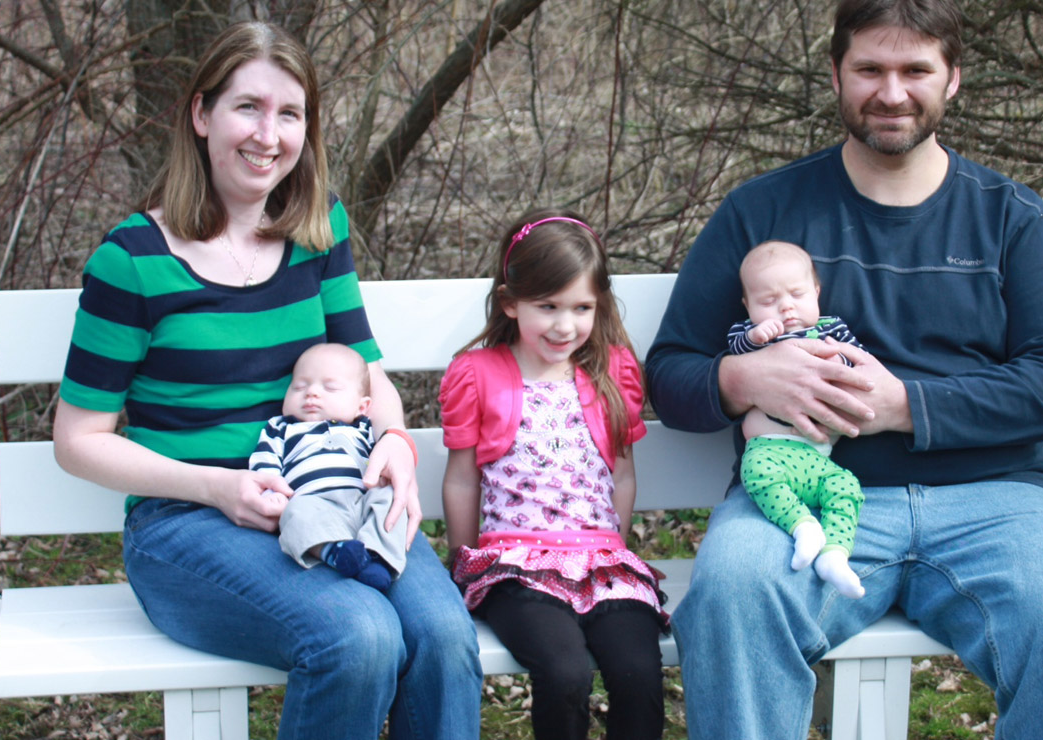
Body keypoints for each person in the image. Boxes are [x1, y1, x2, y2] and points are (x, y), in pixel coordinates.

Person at [644, 1, 1043, 738]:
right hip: (804, 501)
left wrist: (904, 404)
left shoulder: (1014, 220)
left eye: (916, 70)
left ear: (954, 79)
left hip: (998, 501)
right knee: (731, 598)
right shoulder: (762, 213)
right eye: (870, 68)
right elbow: (671, 370)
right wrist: (746, 379)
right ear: (838, 73)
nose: (892, 91)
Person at [51, 22, 481, 740]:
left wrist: (398, 441)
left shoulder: (318, 231)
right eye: (247, 107)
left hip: (334, 496)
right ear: (201, 114)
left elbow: (368, 374)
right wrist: (215, 486)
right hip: (187, 523)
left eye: (290, 114)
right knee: (359, 634)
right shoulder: (131, 261)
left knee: (441, 634)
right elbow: (77, 440)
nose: (269, 134)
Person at [440, 208, 666, 740]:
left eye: (581, 307)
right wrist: (464, 559)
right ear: (511, 302)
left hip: (602, 563)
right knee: (565, 672)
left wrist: (616, 544)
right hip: (513, 564)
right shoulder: (479, 374)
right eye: (548, 306)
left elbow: (623, 474)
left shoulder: (612, 372)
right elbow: (461, 478)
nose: (565, 325)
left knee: (638, 673)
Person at [727, 241, 865, 599]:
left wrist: (840, 366)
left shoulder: (831, 329)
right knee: (757, 474)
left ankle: (835, 554)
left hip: (818, 461)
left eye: (797, 294)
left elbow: (859, 361)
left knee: (845, 490)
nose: (786, 307)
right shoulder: (751, 335)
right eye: (768, 301)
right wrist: (756, 336)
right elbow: (735, 351)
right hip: (769, 451)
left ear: (817, 292)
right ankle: (803, 526)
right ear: (748, 306)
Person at [250, 343, 407, 591]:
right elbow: (264, 464)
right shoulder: (281, 428)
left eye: (330, 387)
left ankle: (378, 557)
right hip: (315, 503)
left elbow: (380, 460)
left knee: (391, 500)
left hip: (360, 501)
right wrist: (272, 493)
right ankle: (332, 550)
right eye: (299, 386)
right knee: (294, 513)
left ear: (362, 406)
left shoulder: (363, 429)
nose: (311, 393)